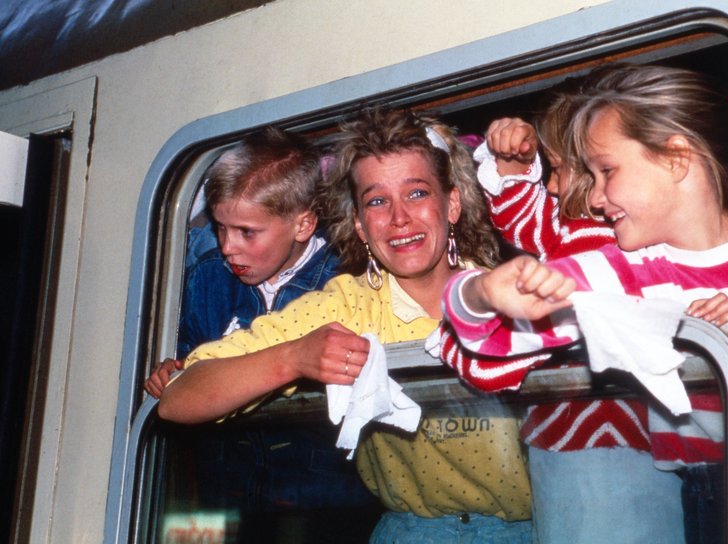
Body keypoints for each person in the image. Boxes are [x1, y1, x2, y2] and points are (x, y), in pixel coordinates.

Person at [159, 108, 535, 543]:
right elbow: (178, 397)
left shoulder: (509, 291)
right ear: (359, 223)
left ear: (451, 205)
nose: (399, 218)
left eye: (416, 194)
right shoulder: (350, 306)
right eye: (376, 201)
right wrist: (293, 358)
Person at [441, 63, 728, 544]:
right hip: (709, 491)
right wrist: (481, 295)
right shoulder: (621, 273)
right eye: (587, 173)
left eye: (606, 171)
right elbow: (486, 358)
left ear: (676, 159)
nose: (596, 197)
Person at [144, 127, 377, 538]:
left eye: (247, 232)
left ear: (303, 224)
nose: (228, 247)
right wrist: (171, 372)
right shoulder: (207, 280)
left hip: (325, 502)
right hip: (222, 496)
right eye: (219, 228)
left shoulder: (346, 279)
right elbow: (184, 364)